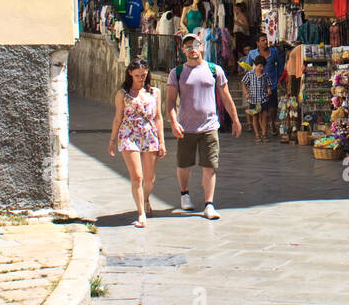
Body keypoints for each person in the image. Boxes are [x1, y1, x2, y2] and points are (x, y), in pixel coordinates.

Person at [166, 33, 242, 219]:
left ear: (202, 47)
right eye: (187, 46)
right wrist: (174, 122)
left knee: (210, 166)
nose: (192, 49)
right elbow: (169, 102)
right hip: (186, 127)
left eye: (195, 45)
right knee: (184, 164)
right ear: (183, 50)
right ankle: (184, 193)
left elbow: (226, 96)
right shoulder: (176, 73)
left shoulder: (214, 70)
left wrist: (235, 119)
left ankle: (209, 204)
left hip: (209, 126)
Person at [107, 59, 164, 228]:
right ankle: (141, 213)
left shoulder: (155, 92)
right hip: (129, 134)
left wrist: (162, 142)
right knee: (137, 177)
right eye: (138, 75)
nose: (141, 78)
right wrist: (112, 140)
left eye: (144, 75)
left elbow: (158, 117)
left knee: (150, 179)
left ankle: (145, 198)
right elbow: (118, 117)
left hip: (149, 133)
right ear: (130, 74)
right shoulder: (123, 94)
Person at [240, 59, 269, 142]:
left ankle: (264, 134)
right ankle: (257, 134)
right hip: (253, 99)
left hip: (263, 99)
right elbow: (243, 83)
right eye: (260, 66)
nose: (261, 68)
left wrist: (269, 89)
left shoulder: (265, 75)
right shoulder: (250, 74)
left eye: (263, 66)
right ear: (255, 66)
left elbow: (268, 84)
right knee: (255, 117)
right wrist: (246, 93)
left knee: (264, 116)